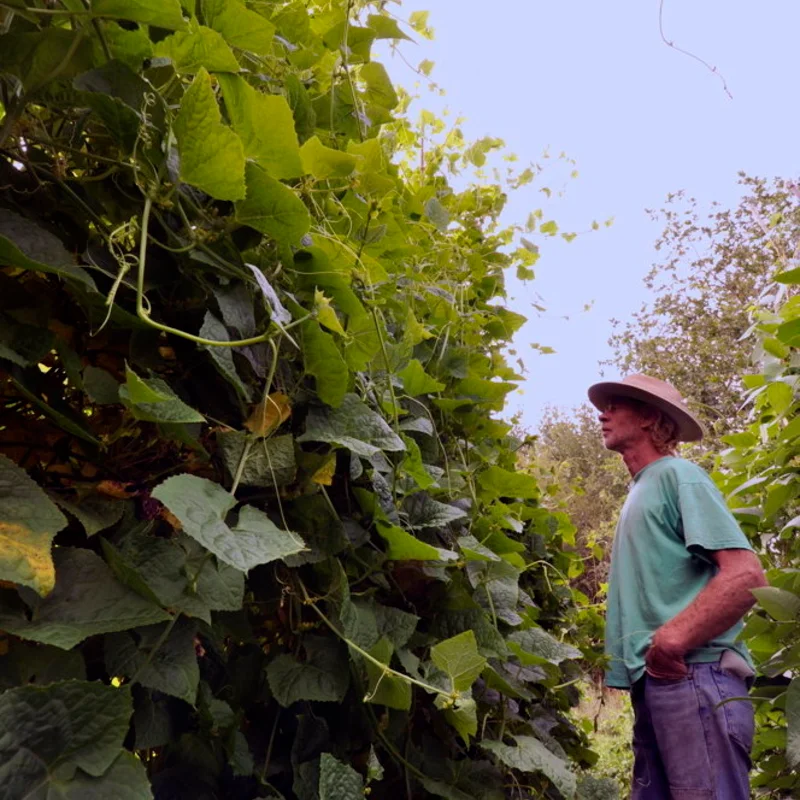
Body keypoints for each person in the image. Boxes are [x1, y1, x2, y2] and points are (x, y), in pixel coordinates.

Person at [587, 374, 767, 800]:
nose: (602, 412)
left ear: (650, 416)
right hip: (662, 683)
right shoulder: (643, 488)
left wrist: (670, 642)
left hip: (694, 676)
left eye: (616, 404)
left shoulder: (677, 476)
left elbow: (746, 576)